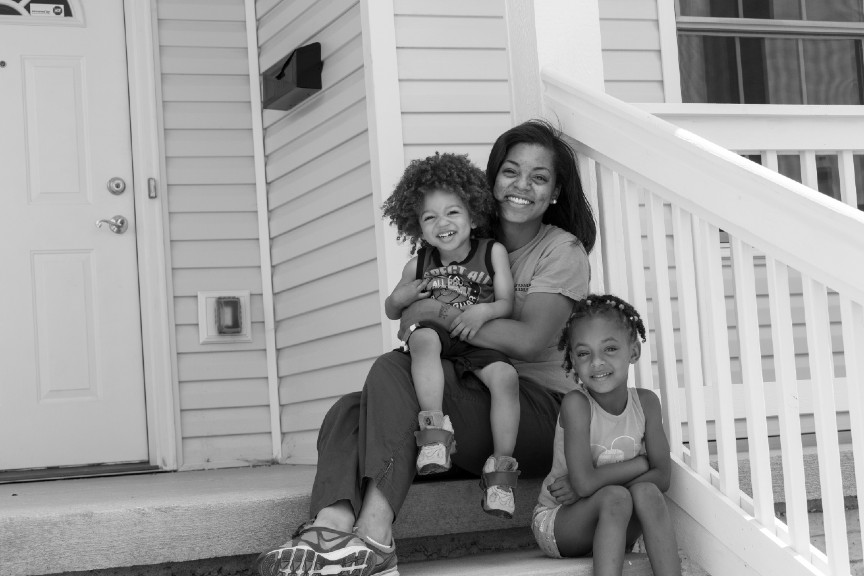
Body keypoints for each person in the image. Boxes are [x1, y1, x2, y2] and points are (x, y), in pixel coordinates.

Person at [253, 119, 597, 576]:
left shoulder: (560, 250)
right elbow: (409, 314)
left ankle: (375, 539)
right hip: (468, 395)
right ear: (492, 180)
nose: (522, 186)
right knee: (351, 409)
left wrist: (437, 312)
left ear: (555, 192)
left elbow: (531, 341)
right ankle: (329, 530)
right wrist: (421, 313)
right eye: (511, 172)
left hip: (536, 412)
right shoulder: (461, 234)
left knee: (390, 371)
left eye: (539, 177)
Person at [381, 152, 522, 518]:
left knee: (506, 378)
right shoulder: (418, 264)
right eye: (430, 217)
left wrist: (484, 311)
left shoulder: (491, 252)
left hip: (477, 336)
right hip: (438, 334)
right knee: (422, 339)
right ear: (418, 226)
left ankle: (501, 473)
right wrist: (403, 297)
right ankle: (433, 435)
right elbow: (392, 308)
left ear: (473, 216)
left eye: (452, 212)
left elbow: (506, 302)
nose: (442, 223)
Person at [532, 295, 680, 576]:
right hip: (563, 521)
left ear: (633, 351)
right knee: (616, 496)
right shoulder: (577, 405)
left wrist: (591, 485)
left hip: (617, 518)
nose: (597, 362)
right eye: (584, 353)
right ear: (572, 360)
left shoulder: (647, 403)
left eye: (610, 349)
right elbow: (584, 484)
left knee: (647, 492)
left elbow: (662, 477)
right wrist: (639, 464)